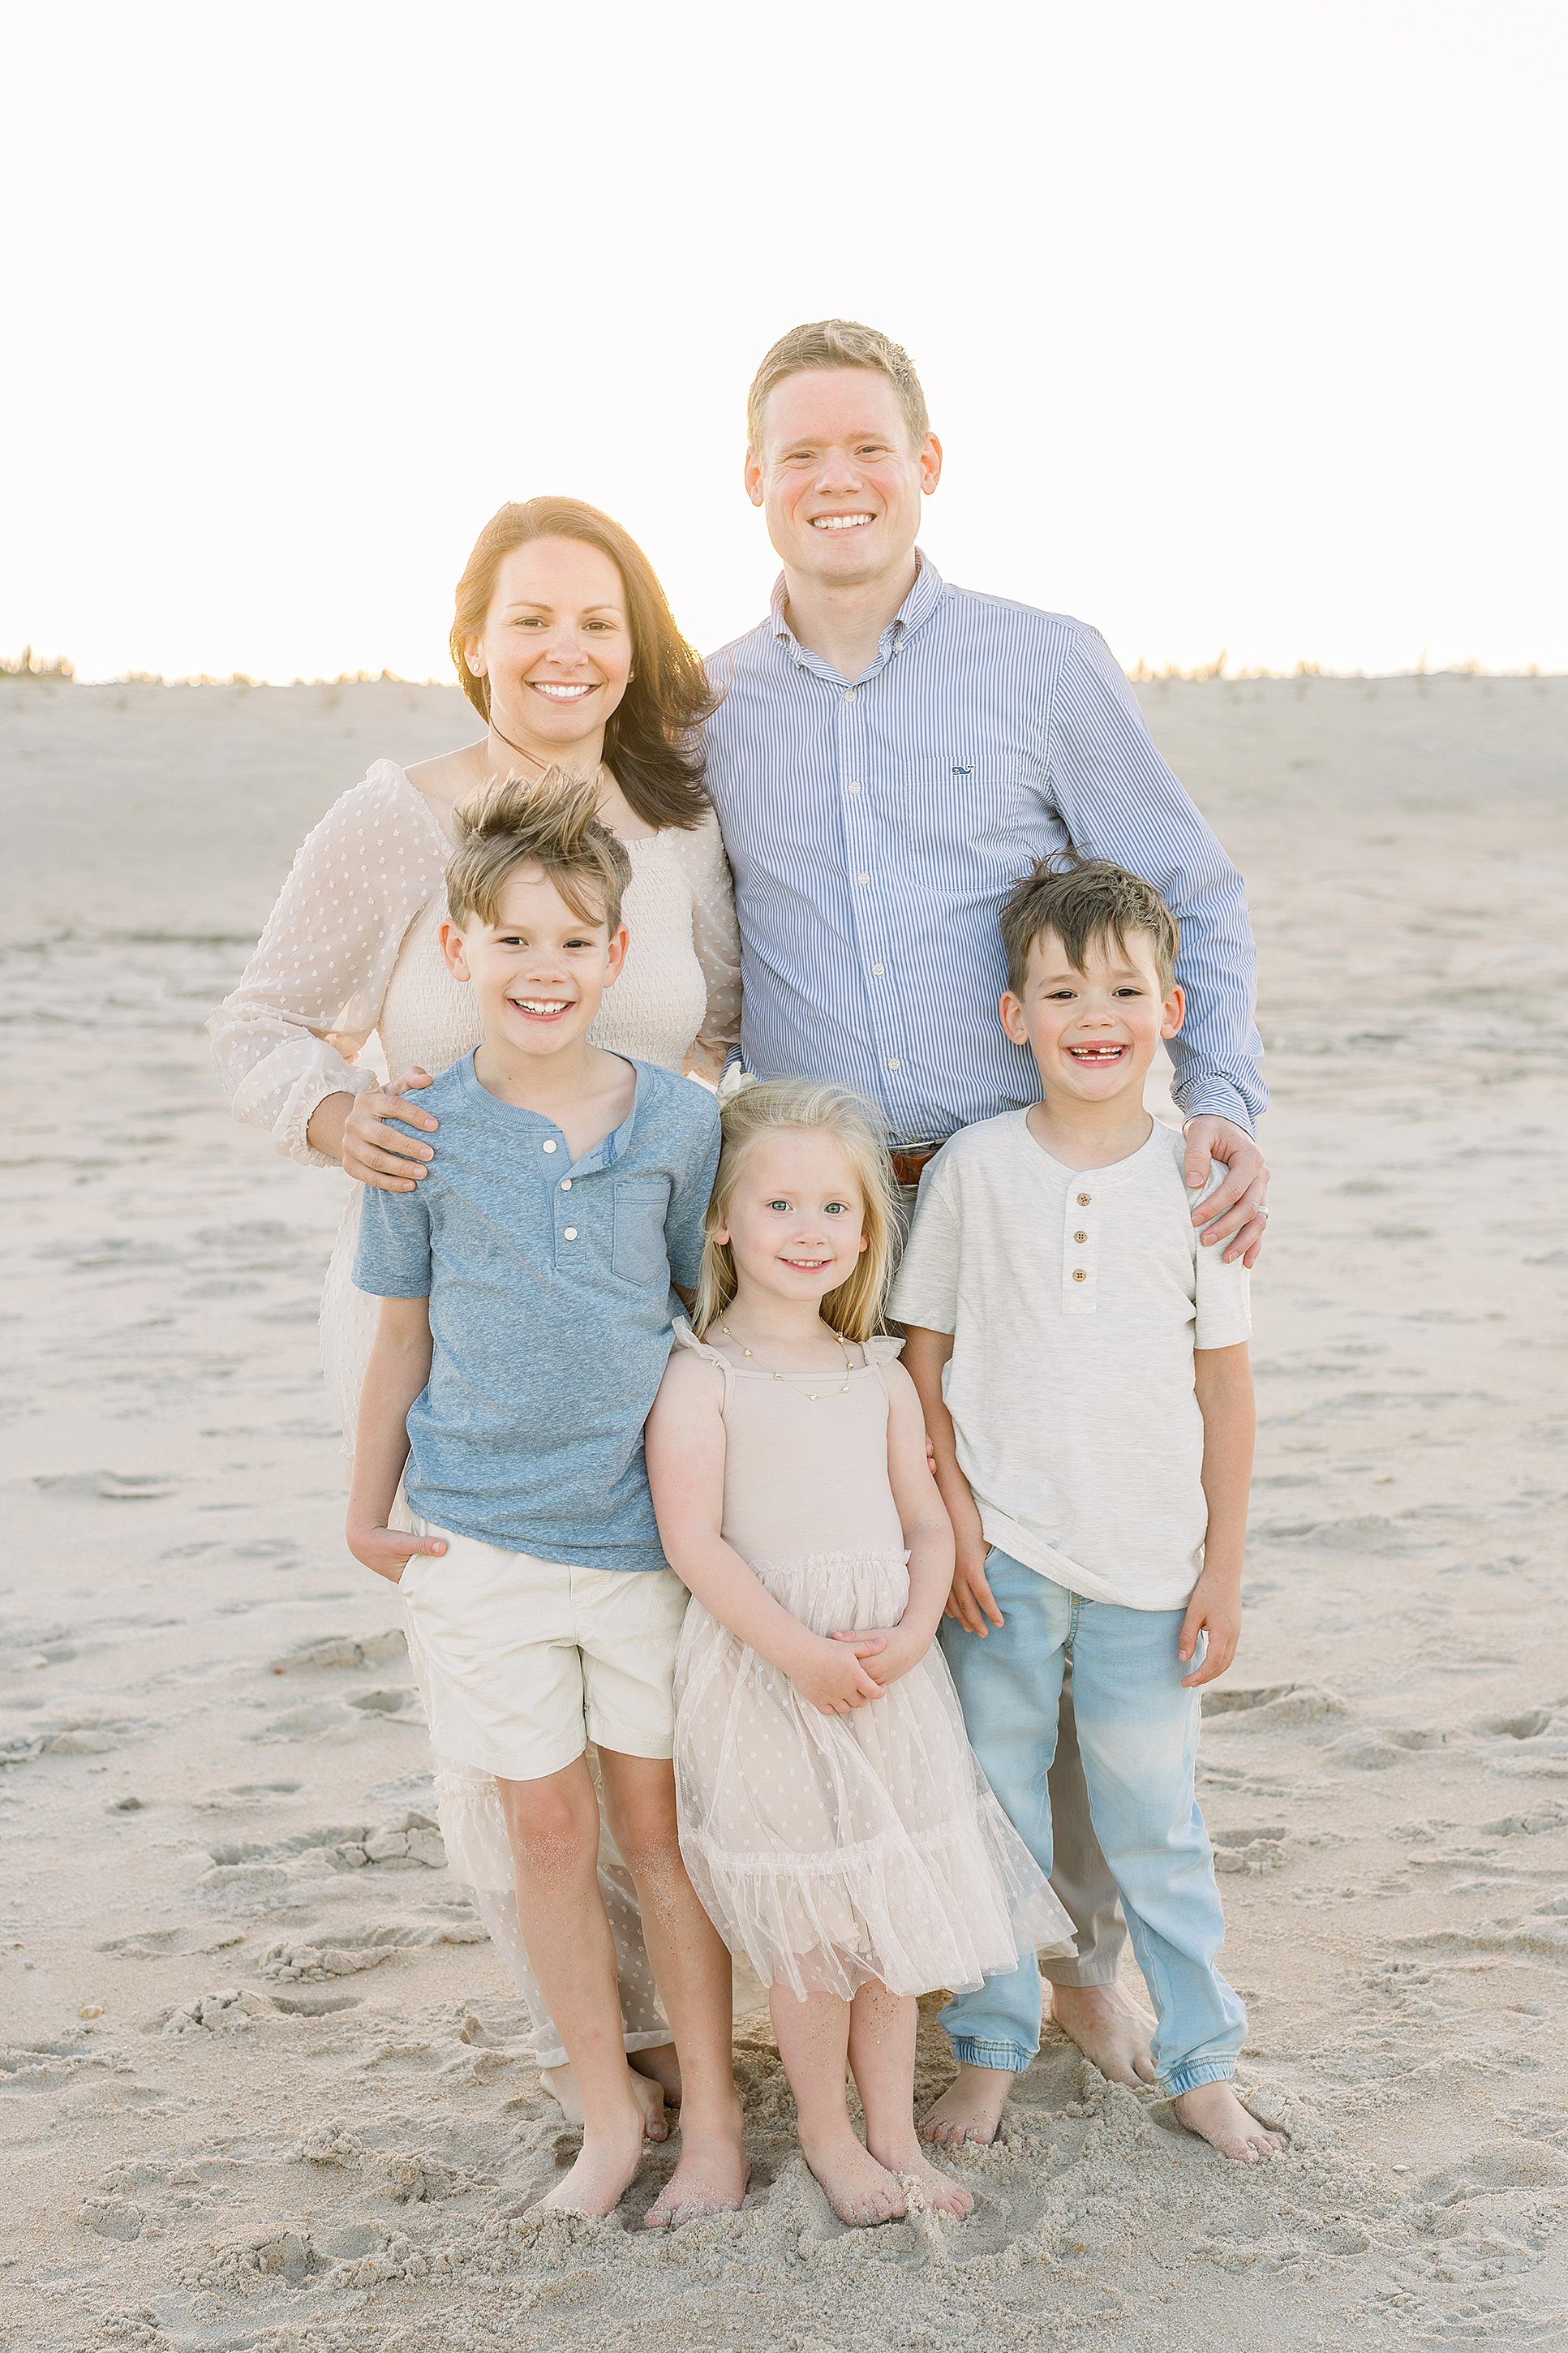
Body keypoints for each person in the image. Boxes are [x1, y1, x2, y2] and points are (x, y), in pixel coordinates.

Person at [700, 316, 1272, 2092]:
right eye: (799, 452)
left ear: (925, 462)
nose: (835, 479)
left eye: (865, 444)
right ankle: (950, 1961)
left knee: (1082, 1557)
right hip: (842, 1218)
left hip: (1045, 1183)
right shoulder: (708, 705)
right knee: (907, 1583)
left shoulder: (1041, 665)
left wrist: (1226, 1104)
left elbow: (1187, 888)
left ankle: (1082, 1956)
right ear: (754, 484)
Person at [209, 497, 742, 2129]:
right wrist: (326, 1111)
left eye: (595, 621)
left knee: (661, 1690)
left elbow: (721, 1021)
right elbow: (256, 1023)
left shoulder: (682, 827)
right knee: (514, 1707)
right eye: (530, 620)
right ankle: (607, 2060)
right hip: (440, 1315)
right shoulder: (396, 819)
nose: (563, 652)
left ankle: (702, 2027)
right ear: (474, 641)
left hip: (648, 1312)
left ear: (634, 644)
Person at [346, 771, 747, 2223]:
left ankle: (708, 2119)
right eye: (511, 942)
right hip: (478, 1536)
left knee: (658, 1835)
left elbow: (697, 1325)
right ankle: (606, 2124)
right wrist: (364, 1505)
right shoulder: (419, 1132)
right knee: (548, 1839)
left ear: (615, 959)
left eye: (574, 941)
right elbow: (403, 1332)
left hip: (641, 1542)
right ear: (458, 954)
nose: (543, 969)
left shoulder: (682, 1125)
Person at [891, 854, 1286, 2162]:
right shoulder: (972, 1170)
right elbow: (925, 1369)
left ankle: (1199, 2058)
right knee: (991, 1811)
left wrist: (1221, 1571)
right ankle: (994, 2044)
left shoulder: (1194, 1179)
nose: (1092, 1014)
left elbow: (1223, 1395)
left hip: (1149, 1562)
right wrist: (950, 1529)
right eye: (1061, 992)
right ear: (1016, 1019)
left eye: (1122, 987)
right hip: (1002, 1557)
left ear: (1171, 1009)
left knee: (1150, 1822)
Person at [645, 1078, 1076, 2225]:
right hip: (771, 1676)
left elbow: (927, 1519)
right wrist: (798, 1653)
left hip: (889, 1675)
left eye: (836, 1209)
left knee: (894, 1922)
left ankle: (897, 2138)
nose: (809, 1231)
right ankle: (831, 2141)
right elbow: (693, 1543)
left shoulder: (876, 1372)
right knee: (812, 1934)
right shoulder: (703, 1378)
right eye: (779, 1205)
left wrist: (915, 1623)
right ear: (724, 1223)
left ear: (869, 1231)